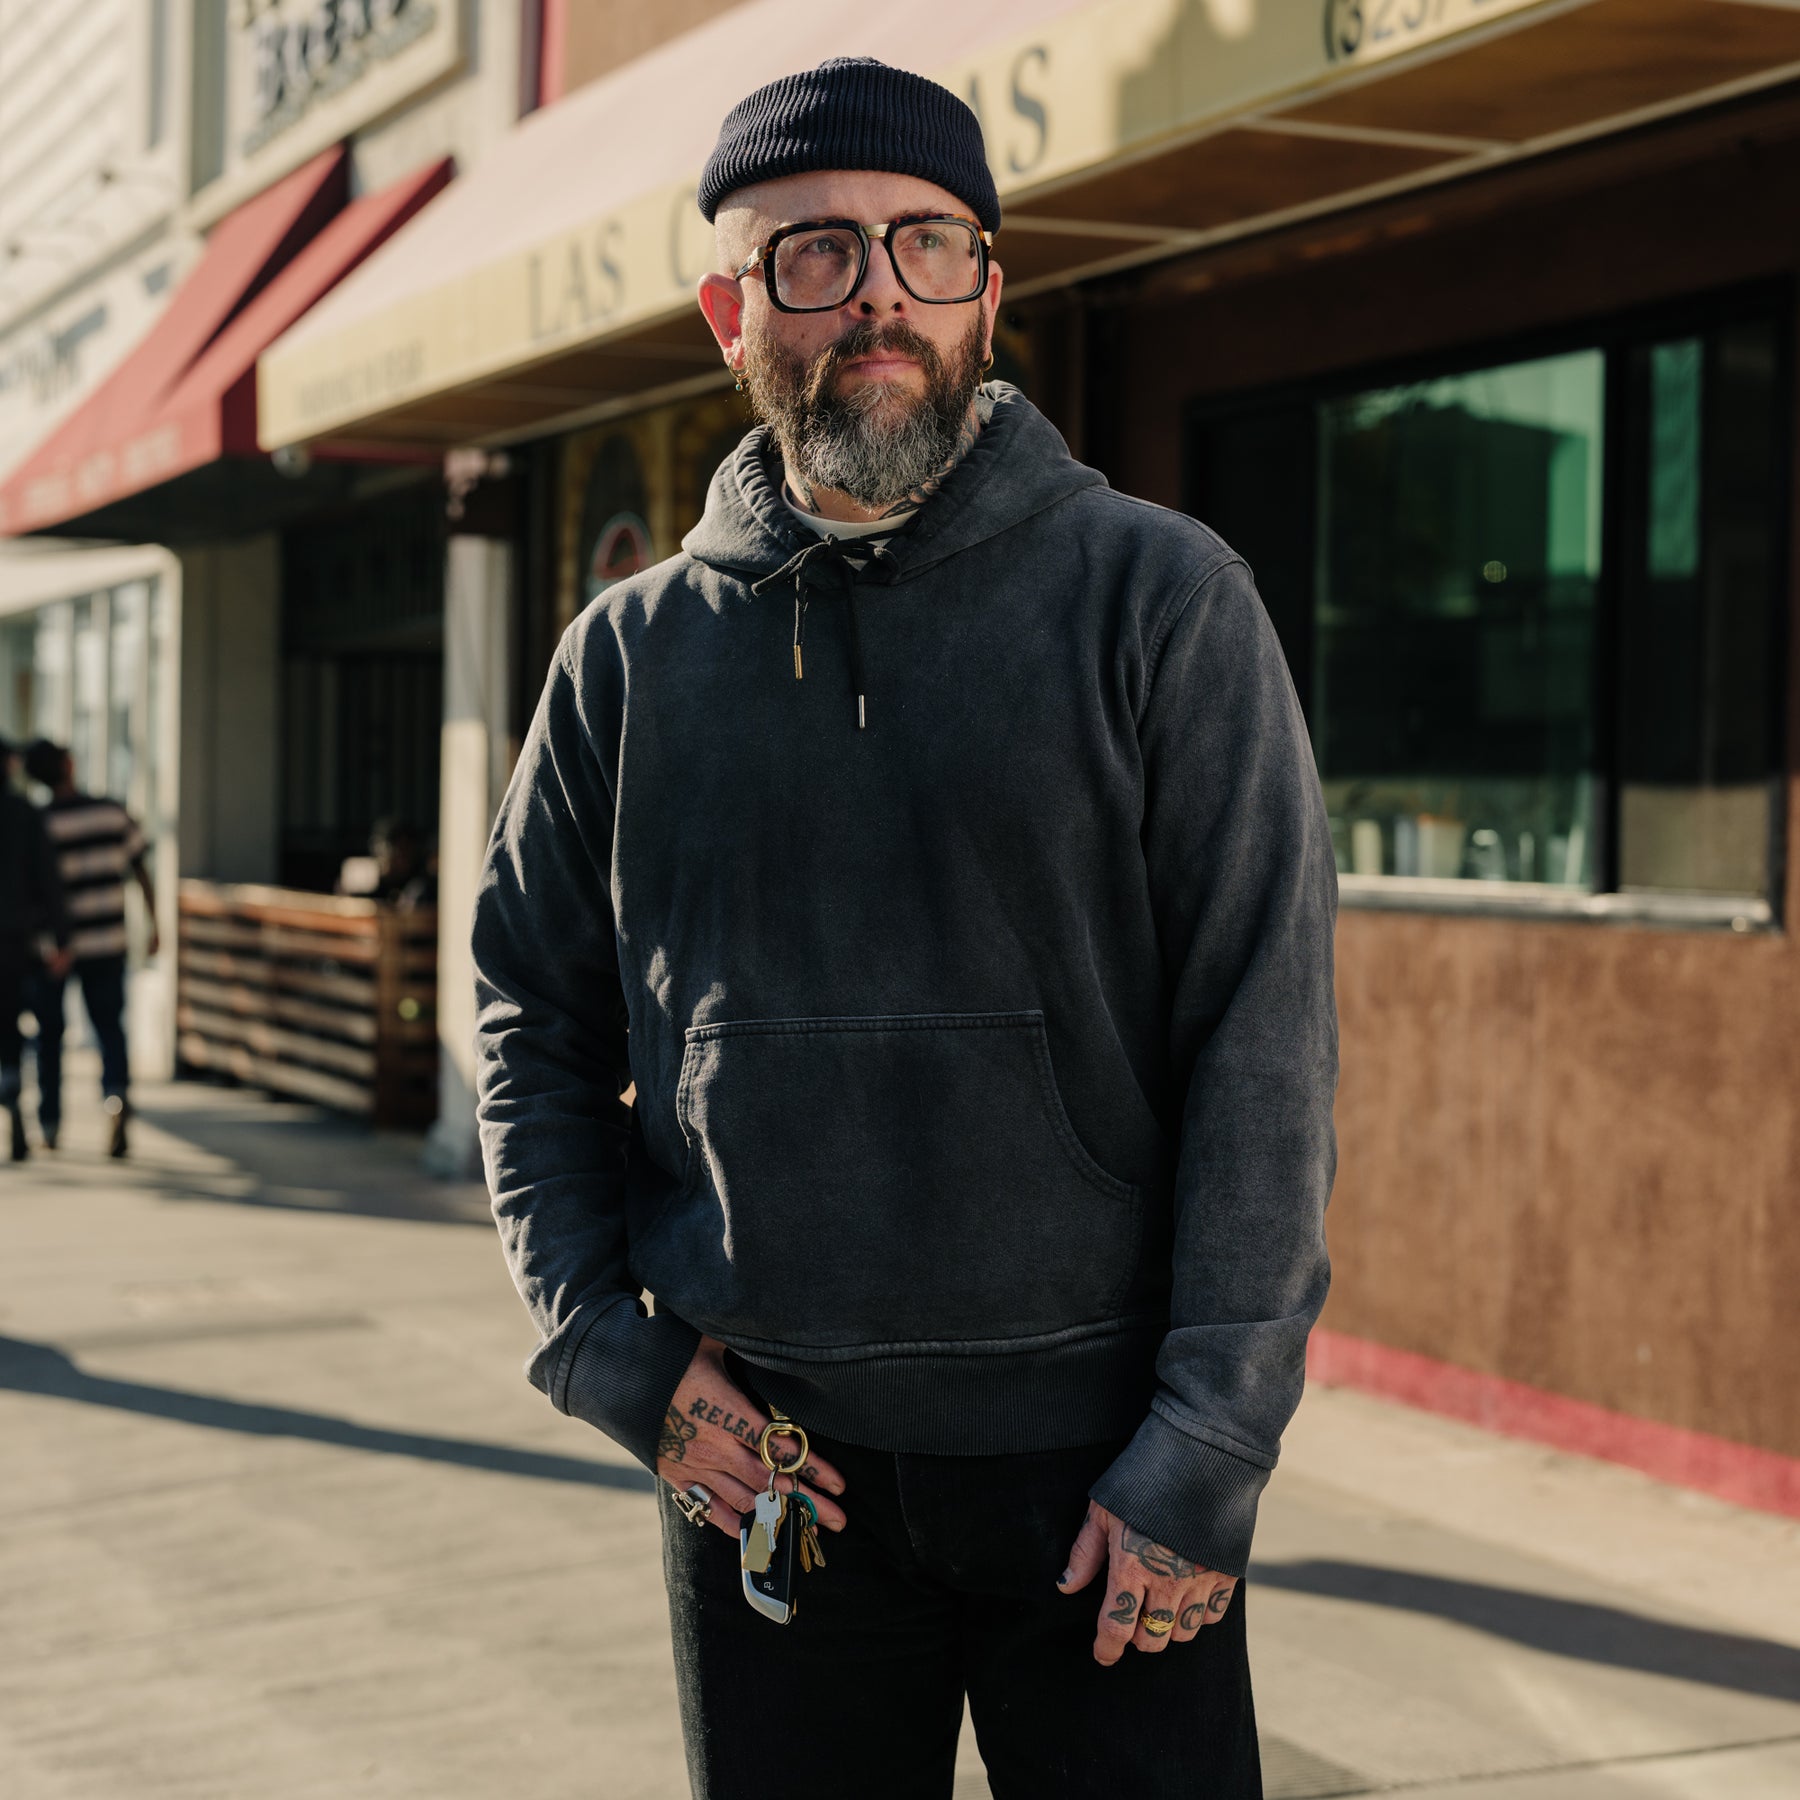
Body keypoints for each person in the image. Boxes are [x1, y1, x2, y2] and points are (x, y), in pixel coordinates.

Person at [472, 57, 1338, 1799]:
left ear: (988, 293)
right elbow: (526, 1013)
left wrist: (1210, 1441)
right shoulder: (627, 660)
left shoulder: (1162, 601)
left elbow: (1266, 1037)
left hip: (1101, 1479)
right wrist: (604, 1345)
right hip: (770, 1466)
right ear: (731, 310)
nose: (877, 289)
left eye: (926, 244)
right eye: (813, 255)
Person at [22, 739, 156, 1158]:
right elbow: (140, 868)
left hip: (56, 949)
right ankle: (115, 1098)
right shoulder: (111, 811)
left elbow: (34, 892)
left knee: (50, 1035)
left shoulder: (40, 823)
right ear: (68, 765)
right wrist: (155, 924)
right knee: (109, 1027)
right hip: (108, 938)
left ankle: (49, 1121)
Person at [1, 736, 69, 1162]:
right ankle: (17, 1110)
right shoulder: (24, 814)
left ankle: (15, 1107)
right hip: (13, 943)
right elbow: (49, 882)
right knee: (12, 1028)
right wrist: (60, 938)